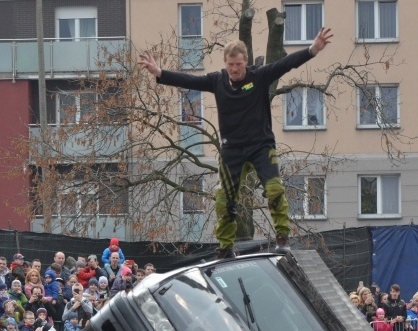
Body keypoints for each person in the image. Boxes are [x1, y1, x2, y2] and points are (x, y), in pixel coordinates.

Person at [139, 28, 333, 258]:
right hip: (232, 150)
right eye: (230, 65)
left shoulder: (259, 76)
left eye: (238, 65)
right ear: (225, 63)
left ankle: (282, 237)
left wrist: (312, 50)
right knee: (224, 201)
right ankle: (225, 247)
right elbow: (190, 80)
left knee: (274, 190)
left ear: (245, 61)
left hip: (261, 146)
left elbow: (286, 64)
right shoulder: (217, 80)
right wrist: (160, 72)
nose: (234, 69)